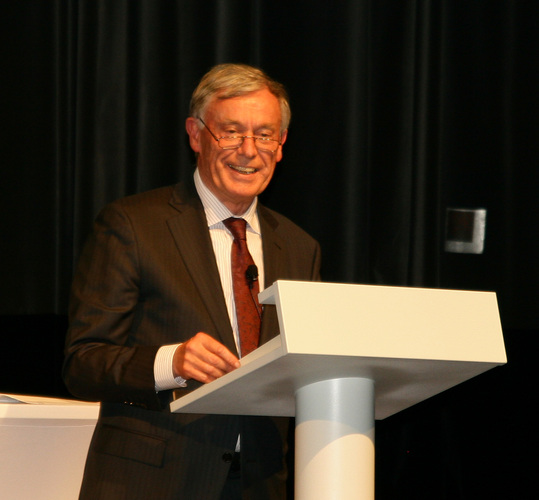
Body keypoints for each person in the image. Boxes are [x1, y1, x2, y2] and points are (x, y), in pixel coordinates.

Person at [63, 63, 321, 499]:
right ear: (196, 134)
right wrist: (171, 361)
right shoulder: (133, 225)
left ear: (281, 146)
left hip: (260, 483)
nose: (248, 150)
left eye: (264, 134)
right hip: (152, 481)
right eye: (231, 131)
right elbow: (82, 363)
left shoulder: (299, 247)